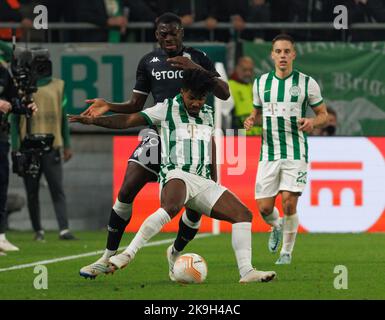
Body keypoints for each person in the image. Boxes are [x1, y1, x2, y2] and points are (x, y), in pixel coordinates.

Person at [70, 68, 276, 283]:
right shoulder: (166, 108)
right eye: (192, 98)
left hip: (203, 180)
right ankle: (128, 253)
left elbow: (210, 143)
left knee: (243, 215)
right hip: (176, 173)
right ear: (183, 91)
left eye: (201, 98)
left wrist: (214, 178)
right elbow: (129, 120)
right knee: (171, 207)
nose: (196, 103)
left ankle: (246, 272)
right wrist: (95, 121)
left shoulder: (207, 113)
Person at [78, 12, 229, 279]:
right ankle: (106, 257)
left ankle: (175, 251)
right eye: (163, 33)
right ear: (156, 35)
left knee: (194, 211)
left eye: (173, 33)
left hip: (191, 139)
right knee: (126, 189)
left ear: (182, 33)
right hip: (158, 135)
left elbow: (223, 92)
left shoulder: (199, 58)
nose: (168, 38)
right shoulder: (148, 62)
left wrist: (195, 68)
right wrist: (109, 105)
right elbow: (136, 105)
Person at [244, 34, 328, 264]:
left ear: (293, 54)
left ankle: (286, 252)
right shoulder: (260, 83)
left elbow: (324, 115)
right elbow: (258, 114)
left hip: (295, 151)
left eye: (287, 51)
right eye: (278, 51)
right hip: (269, 152)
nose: (282, 55)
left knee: (289, 202)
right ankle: (277, 225)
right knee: (264, 208)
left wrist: (312, 122)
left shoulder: (306, 82)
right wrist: (252, 120)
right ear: (272, 55)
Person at [11, 57, 76, 242]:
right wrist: (15, 146)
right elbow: (15, 120)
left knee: (57, 188)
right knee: (32, 191)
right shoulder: (22, 87)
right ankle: (38, 230)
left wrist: (67, 144)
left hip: (51, 144)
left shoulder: (58, 85)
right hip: (28, 146)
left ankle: (64, 229)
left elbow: (63, 116)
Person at [0, 60, 37, 254]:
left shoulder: (4, 72)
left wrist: (26, 107)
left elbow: (12, 102)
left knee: (2, 185)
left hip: (1, 136)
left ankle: (0, 236)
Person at [229, 56, 261, 135]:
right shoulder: (229, 86)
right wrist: (256, 120)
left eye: (250, 70)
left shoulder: (252, 86)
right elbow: (226, 117)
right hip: (238, 137)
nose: (248, 73)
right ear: (237, 68)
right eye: (245, 70)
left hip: (257, 137)